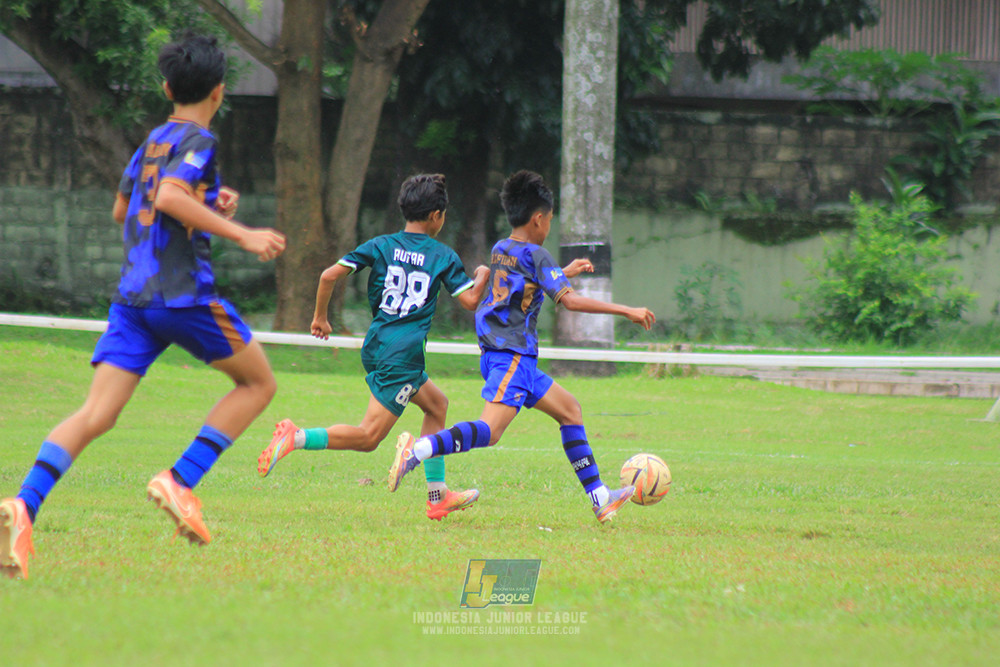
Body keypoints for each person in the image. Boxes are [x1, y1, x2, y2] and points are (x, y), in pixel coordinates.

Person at [0, 32, 287, 579]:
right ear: (220, 92)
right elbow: (169, 197)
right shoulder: (201, 139)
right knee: (258, 385)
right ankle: (180, 481)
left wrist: (206, 200)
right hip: (181, 296)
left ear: (166, 86)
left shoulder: (152, 141)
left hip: (132, 300)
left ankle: (22, 506)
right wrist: (242, 233)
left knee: (96, 414)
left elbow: (122, 209)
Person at [387, 170, 656, 523]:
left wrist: (563, 273)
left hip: (510, 358)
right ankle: (418, 448)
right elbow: (569, 302)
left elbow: (525, 284)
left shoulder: (503, 248)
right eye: (549, 221)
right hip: (511, 357)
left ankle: (600, 497)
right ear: (539, 219)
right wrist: (627, 310)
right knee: (490, 432)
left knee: (569, 411)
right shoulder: (537, 254)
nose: (548, 228)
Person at [257, 173, 490, 521]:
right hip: (403, 354)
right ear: (437, 216)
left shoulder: (381, 244)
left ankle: (437, 496)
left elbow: (327, 276)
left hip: (378, 344)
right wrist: (484, 275)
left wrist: (320, 318)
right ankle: (296, 436)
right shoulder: (442, 255)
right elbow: (471, 301)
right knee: (368, 438)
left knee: (437, 405)